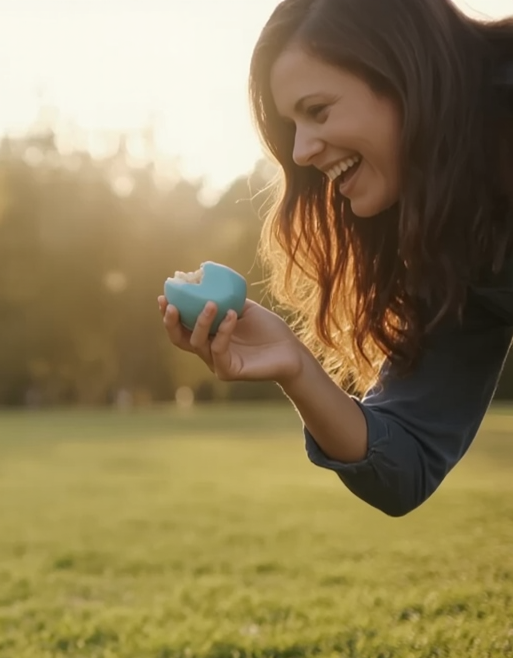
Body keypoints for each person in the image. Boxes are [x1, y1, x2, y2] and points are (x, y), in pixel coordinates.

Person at [158, 0, 513, 517]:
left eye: (318, 111)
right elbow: (403, 463)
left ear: (404, 73)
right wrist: (294, 365)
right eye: (293, 125)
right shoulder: (456, 244)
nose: (300, 151)